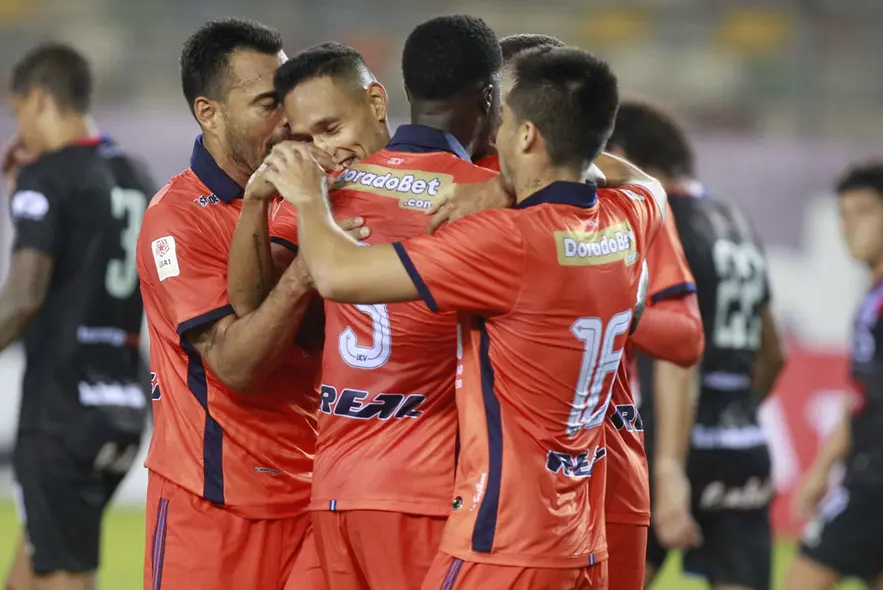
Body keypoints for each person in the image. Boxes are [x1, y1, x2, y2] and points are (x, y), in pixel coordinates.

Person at [260, 45, 667, 590]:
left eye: (506, 124)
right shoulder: (628, 218)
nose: (494, 137)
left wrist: (310, 200)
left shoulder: (507, 242)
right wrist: (513, 181)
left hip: (502, 538)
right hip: (579, 536)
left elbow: (335, 275)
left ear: (528, 136)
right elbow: (647, 185)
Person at [227, 21, 501, 588]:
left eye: (331, 128)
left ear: (377, 101)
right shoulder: (477, 194)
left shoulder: (322, 201)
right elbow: (249, 309)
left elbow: (250, 300)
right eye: (307, 139)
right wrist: (256, 202)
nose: (325, 148)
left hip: (394, 490)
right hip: (374, 492)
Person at [134, 18, 360, 590]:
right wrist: (305, 273)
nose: (287, 119)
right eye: (266, 103)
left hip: (317, 500)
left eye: (287, 98)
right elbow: (236, 367)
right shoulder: (176, 221)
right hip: (214, 511)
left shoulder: (313, 190)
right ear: (209, 113)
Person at [0, 43, 155, 590]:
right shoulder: (135, 174)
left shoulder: (48, 174)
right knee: (32, 569)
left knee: (65, 573)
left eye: (18, 111)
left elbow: (23, 295)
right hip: (120, 403)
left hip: (61, 409)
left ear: (39, 98)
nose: (18, 127)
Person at [608, 102, 786, 590]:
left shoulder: (662, 221)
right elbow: (775, 352)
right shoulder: (733, 218)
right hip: (742, 450)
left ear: (621, 155)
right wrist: (733, 413)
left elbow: (679, 349)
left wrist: (669, 466)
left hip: (672, 451)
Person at [784, 162, 883, 590]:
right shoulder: (881, 292)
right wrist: (822, 469)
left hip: (881, 477)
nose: (850, 227)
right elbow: (861, 396)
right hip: (879, 472)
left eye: (865, 212)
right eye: (844, 214)